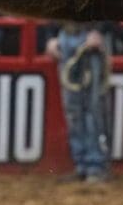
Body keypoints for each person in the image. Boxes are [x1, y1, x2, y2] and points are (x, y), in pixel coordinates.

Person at [47, 24, 110, 183]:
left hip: (89, 35)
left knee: (92, 107)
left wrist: (99, 30)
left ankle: (95, 166)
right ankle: (83, 165)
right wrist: (52, 36)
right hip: (66, 35)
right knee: (74, 110)